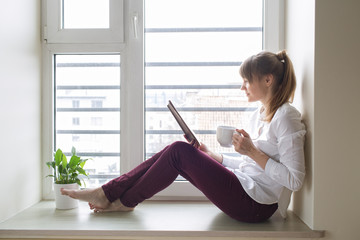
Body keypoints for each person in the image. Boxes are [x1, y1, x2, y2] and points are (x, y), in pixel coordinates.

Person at [61, 50, 306, 223]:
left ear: (267, 79)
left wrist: (252, 151)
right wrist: (214, 157)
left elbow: (295, 180)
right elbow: (249, 165)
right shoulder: (259, 114)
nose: (242, 87)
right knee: (177, 151)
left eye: (246, 81)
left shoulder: (287, 117)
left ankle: (115, 197)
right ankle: (111, 194)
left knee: (179, 151)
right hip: (245, 188)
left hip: (256, 206)